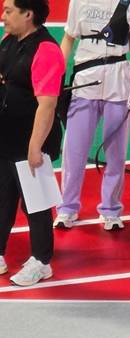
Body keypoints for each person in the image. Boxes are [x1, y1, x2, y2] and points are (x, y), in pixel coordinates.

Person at [53, 0, 130, 231]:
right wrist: (55, 69)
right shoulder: (78, 1)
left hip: (119, 83)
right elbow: (69, 37)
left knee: (116, 152)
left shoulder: (129, 2)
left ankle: (111, 209)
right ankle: (67, 207)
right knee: (74, 150)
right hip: (84, 83)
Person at [0, 0, 65, 286]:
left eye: (8, 11)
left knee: (35, 204)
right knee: (2, 199)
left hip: (31, 141)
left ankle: (41, 260)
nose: (4, 16)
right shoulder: (9, 41)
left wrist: (35, 146)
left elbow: (47, 105)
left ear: (28, 14)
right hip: (5, 138)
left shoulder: (46, 50)